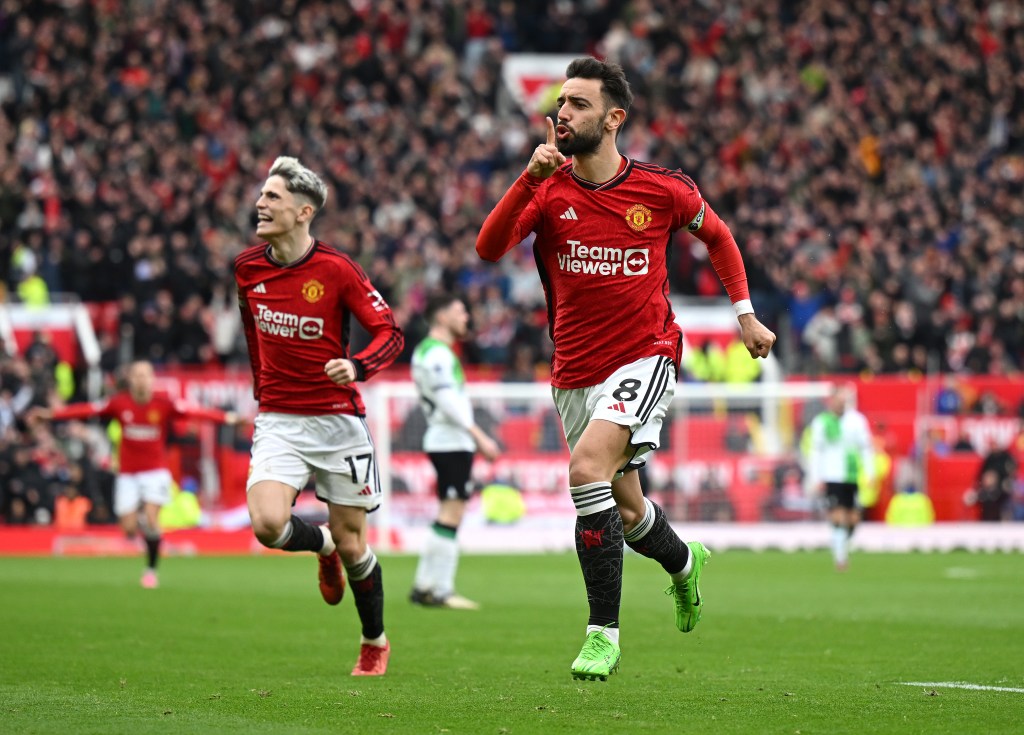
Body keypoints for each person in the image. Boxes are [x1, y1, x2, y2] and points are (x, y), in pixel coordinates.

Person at [476, 58, 776, 681]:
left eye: (578, 104)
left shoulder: (662, 189)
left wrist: (744, 314)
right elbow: (488, 248)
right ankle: (685, 564)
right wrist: (525, 181)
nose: (563, 113)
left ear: (614, 118)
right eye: (560, 103)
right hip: (574, 371)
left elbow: (718, 236)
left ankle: (601, 633)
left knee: (585, 470)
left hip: (647, 355)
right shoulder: (548, 188)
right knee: (626, 504)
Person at [234, 156, 404, 677]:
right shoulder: (248, 268)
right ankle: (320, 544)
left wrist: (357, 366)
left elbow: (390, 334)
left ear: (304, 211)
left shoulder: (336, 269)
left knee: (357, 546)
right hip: (280, 419)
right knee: (266, 524)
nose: (261, 204)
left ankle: (374, 640)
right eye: (261, 195)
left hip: (337, 422)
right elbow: (251, 335)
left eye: (273, 197)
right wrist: (264, 393)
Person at [28, 360, 238, 587]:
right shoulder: (119, 404)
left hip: (155, 472)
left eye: (146, 375)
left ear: (152, 379)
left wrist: (227, 418)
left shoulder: (163, 404)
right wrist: (51, 414)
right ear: (130, 380)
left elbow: (195, 412)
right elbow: (86, 409)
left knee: (151, 519)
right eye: (137, 375)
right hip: (128, 474)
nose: (141, 379)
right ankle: (143, 524)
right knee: (128, 527)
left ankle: (151, 570)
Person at [409, 292, 500, 610]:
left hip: (448, 441)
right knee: (452, 513)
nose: (466, 317)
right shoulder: (436, 355)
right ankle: (441, 590)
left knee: (448, 512)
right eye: (460, 311)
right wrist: (480, 437)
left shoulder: (434, 352)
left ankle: (423, 585)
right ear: (442, 317)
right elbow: (448, 404)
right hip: (449, 441)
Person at [804, 384, 875, 571]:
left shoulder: (857, 421)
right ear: (831, 401)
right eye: (837, 399)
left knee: (853, 519)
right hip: (831, 475)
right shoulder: (822, 422)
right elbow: (815, 451)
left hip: (851, 476)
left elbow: (866, 448)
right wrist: (815, 476)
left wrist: (870, 472)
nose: (840, 403)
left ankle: (840, 543)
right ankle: (840, 558)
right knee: (837, 515)